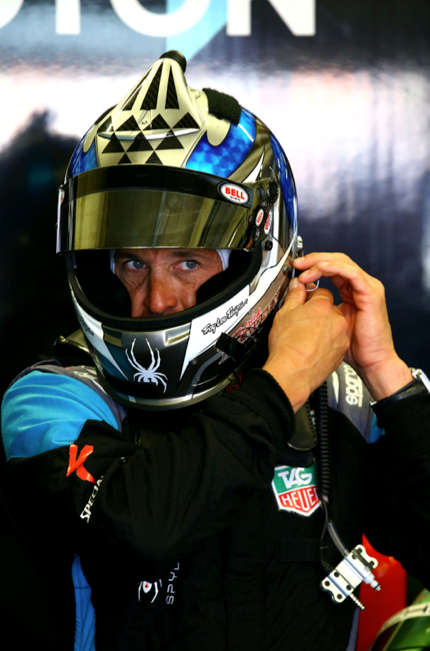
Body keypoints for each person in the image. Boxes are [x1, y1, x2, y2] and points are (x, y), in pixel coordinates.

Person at [2, 50, 430, 651]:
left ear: (260, 252)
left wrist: (389, 377)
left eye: (188, 261)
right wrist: (285, 378)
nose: (155, 300)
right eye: (132, 263)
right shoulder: (53, 396)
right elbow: (144, 527)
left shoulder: (342, 399)